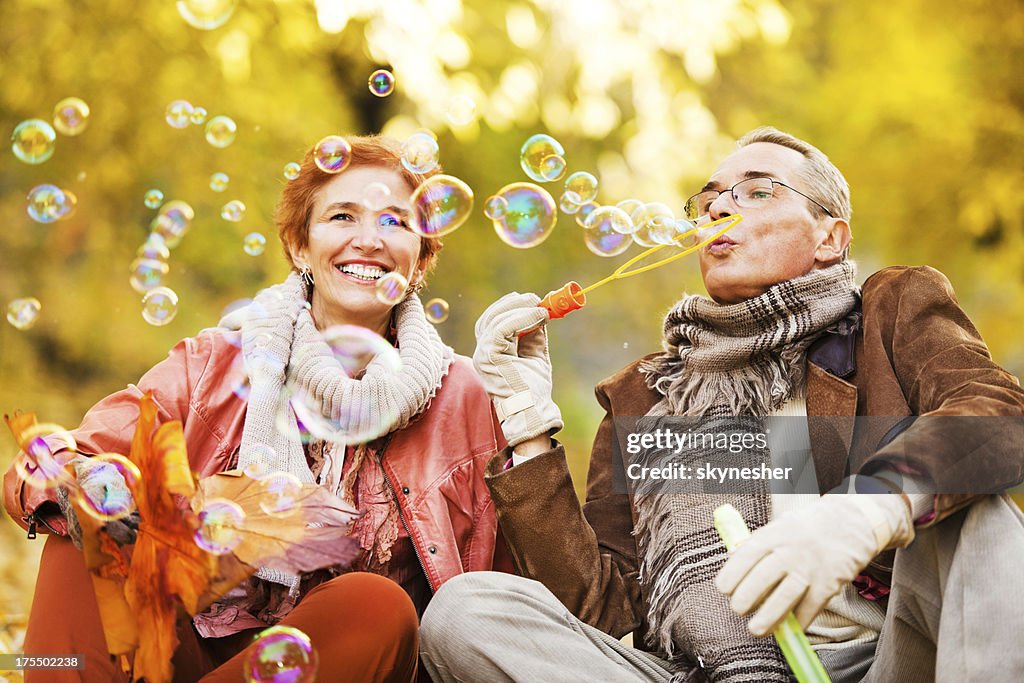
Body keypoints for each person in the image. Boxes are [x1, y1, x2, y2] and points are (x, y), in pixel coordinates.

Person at [419, 127, 1024, 682]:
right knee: (465, 612)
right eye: (707, 198)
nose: (717, 207)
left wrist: (865, 511)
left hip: (885, 662)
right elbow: (600, 614)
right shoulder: (646, 395)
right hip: (695, 674)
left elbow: (999, 415)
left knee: (977, 514)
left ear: (829, 238)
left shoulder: (887, 316)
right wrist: (527, 423)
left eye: (758, 192)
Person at [3, 135, 510, 682]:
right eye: (343, 216)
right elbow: (45, 465)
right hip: (182, 653)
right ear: (300, 247)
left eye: (394, 222)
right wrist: (83, 478)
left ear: (419, 258)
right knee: (82, 518)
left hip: (342, 666)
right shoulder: (214, 364)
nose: (369, 240)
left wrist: (529, 430)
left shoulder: (463, 396)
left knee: (376, 604)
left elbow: (509, 603)